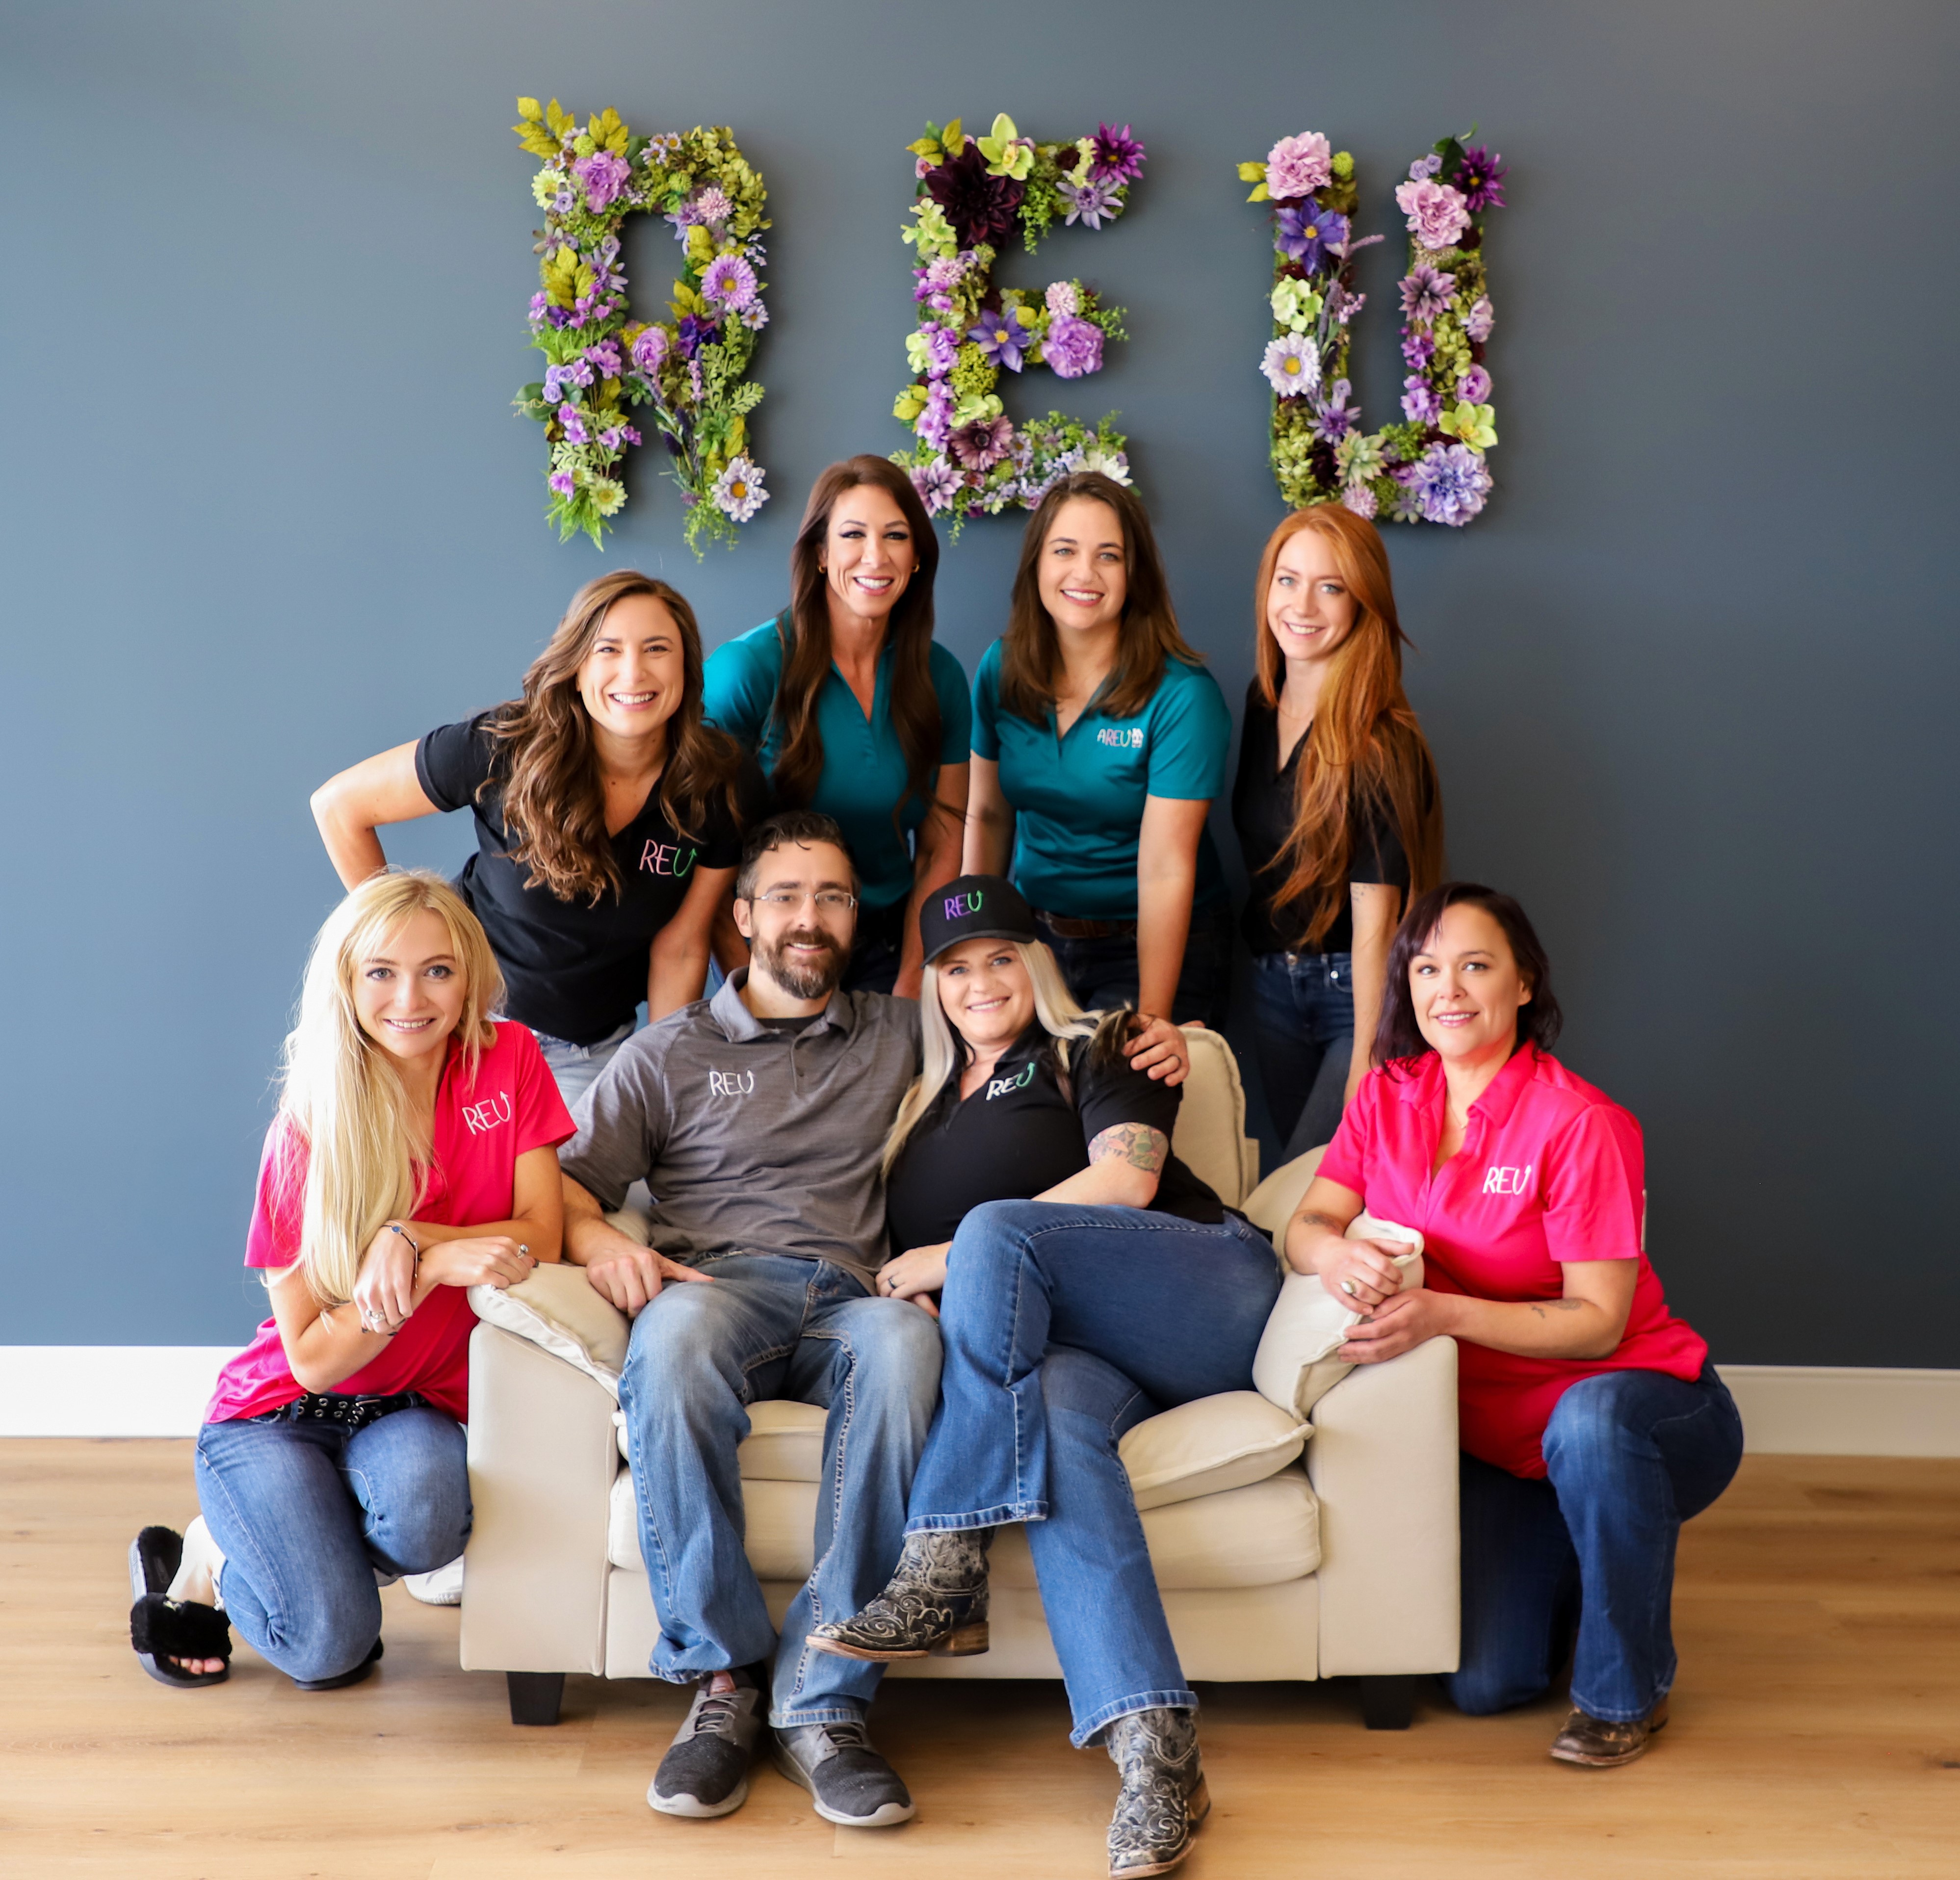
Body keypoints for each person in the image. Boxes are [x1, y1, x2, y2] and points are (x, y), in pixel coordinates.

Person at [558, 820, 1189, 1831]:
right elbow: (565, 1184)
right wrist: (599, 1245)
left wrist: (1149, 1031)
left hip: (861, 1295)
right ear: (744, 914)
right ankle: (720, 1683)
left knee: (906, 1350)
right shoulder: (665, 1051)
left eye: (836, 898)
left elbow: (1017, 1032)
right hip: (715, 1283)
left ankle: (823, 1696)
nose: (810, 918)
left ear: (858, 917)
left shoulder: (908, 1032)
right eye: (788, 895)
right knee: (669, 1343)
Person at [804, 876, 1281, 1879]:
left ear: (1038, 962)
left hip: (1197, 1291)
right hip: (1079, 1358)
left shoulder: (1098, 1046)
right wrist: (941, 1289)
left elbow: (1126, 1178)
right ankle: (1156, 1756)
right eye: (954, 967)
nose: (980, 981)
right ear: (931, 987)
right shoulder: (918, 1111)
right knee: (1057, 1433)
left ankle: (944, 1556)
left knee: (988, 1229)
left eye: (1000, 956)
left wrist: (956, 1254)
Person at [1281, 883, 1741, 1768]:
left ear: (1524, 982)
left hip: (1642, 1412)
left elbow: (1600, 1324)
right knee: (1486, 1685)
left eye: (1475, 965)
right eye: (1425, 968)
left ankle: (1623, 1695)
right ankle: (1592, 1553)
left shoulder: (1580, 1123)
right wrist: (1334, 1256)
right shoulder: (1386, 1096)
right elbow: (1308, 1224)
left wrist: (1443, 1311)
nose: (1447, 989)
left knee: (1592, 1426)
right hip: (1500, 1445)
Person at [127, 872, 573, 1691]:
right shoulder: (305, 1129)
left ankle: (275, 1539)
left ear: (469, 975)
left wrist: (415, 1236)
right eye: (381, 972)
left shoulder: (508, 1059)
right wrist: (436, 1266)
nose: (412, 997)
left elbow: (541, 1230)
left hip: (410, 1405)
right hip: (277, 1418)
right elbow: (314, 1361)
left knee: (433, 1522)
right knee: (330, 1648)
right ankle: (209, 1559)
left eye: (438, 970)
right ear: (346, 980)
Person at [311, 572, 758, 1108]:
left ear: (685, 667)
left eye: (656, 649)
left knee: (591, 1191)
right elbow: (339, 808)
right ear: (575, 668)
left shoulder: (718, 781)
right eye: (607, 650)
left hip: (592, 1055)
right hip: (468, 1032)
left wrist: (659, 1077)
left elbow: (681, 948)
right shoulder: (504, 747)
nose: (633, 671)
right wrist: (399, 950)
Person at [965, 471, 1234, 1027]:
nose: (1083, 573)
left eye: (1108, 555)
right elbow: (988, 814)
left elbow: (1164, 868)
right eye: (1064, 550)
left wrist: (1153, 1020)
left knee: (1119, 1099)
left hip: (1149, 944)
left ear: (1134, 574)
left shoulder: (1183, 695)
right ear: (1036, 563)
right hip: (1033, 941)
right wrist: (974, 944)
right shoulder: (1001, 666)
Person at [703, 456, 970, 997]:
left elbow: (943, 843)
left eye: (896, 535)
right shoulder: (746, 670)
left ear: (917, 557)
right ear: (820, 554)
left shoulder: (940, 676)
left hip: (893, 949)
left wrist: (912, 983)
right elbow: (701, 845)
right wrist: (747, 985)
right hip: (779, 950)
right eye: (852, 534)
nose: (876, 556)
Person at [1231, 503, 1441, 1161]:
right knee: (1297, 1174)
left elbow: (1376, 926)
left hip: (1353, 991)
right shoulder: (1260, 703)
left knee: (1308, 1189)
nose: (1303, 604)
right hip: (1268, 984)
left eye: (1331, 587)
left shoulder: (1381, 742)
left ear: (1362, 604)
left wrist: (1366, 1064)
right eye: (1287, 579)